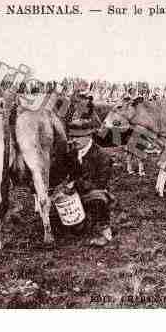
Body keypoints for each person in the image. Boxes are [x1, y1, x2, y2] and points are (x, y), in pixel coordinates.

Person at [65, 87, 116, 246]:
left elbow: (100, 184)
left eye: (78, 138)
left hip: (94, 194)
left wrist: (76, 184)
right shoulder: (72, 153)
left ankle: (105, 232)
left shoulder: (102, 156)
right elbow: (63, 173)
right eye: (72, 137)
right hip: (75, 196)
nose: (74, 141)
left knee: (99, 197)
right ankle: (79, 223)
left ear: (88, 137)